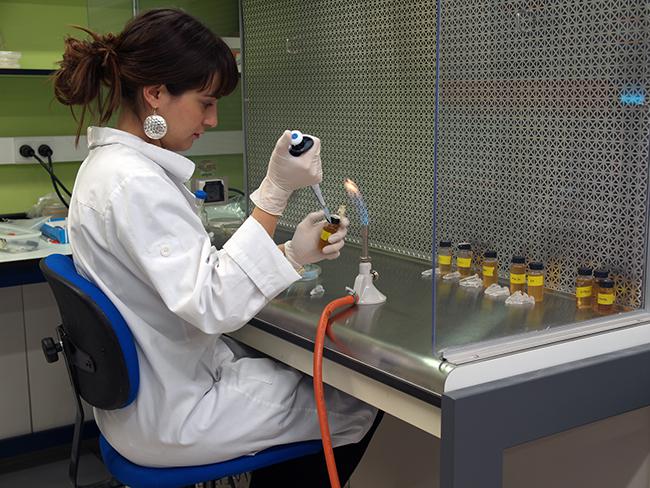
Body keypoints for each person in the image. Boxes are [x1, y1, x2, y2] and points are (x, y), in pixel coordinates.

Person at [53, 8, 381, 487]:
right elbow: (212, 304)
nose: (212, 118)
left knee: (298, 379)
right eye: (205, 102)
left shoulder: (110, 168)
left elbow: (195, 281)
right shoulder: (132, 183)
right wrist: (273, 193)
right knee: (355, 402)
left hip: (158, 392)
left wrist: (292, 253)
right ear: (156, 94)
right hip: (174, 412)